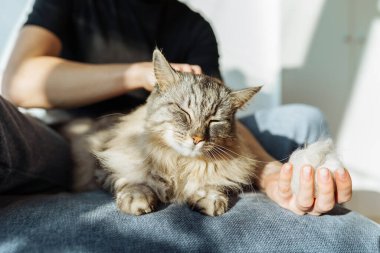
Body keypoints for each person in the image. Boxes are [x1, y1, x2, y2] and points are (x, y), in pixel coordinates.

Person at [0, 0, 378, 252]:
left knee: (303, 119)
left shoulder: (192, 25)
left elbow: (218, 108)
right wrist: (136, 74)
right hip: (72, 135)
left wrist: (269, 173)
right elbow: (18, 84)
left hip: (183, 137)